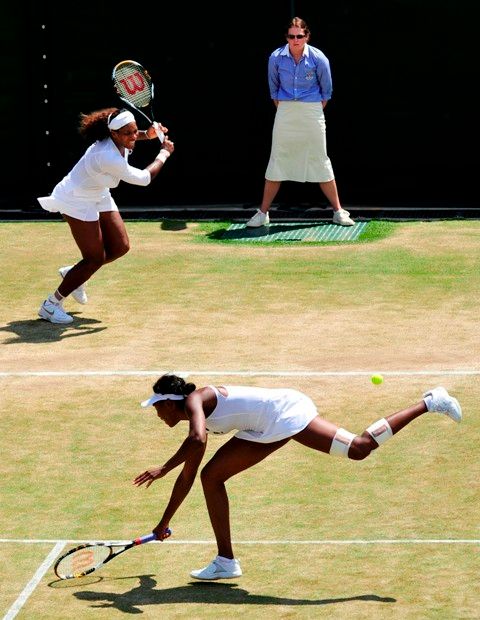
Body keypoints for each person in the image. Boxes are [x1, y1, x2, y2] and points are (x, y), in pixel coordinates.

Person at [133, 374, 462, 580]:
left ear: (170, 402)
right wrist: (162, 523)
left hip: (284, 413)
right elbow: (189, 474)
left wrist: (163, 468)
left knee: (359, 448)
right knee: (210, 477)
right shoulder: (194, 415)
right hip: (262, 426)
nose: (157, 414)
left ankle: (431, 402)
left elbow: (197, 442)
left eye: (157, 407)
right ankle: (225, 561)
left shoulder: (193, 402)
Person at [37, 108, 175, 324]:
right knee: (94, 258)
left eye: (134, 131)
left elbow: (132, 135)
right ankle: (51, 305)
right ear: (113, 134)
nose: (133, 137)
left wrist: (146, 134)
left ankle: (74, 274)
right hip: (75, 199)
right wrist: (163, 153)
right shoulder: (106, 156)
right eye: (127, 133)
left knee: (120, 246)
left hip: (98, 192)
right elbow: (143, 178)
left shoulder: (119, 138)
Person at [247, 17, 354, 228]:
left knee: (320, 158)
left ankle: (338, 211)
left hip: (312, 111)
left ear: (307, 36)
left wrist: (310, 110)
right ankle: (263, 213)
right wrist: (288, 109)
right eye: (291, 36)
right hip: (285, 111)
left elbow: (327, 90)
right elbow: (273, 89)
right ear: (286, 37)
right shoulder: (276, 57)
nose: (295, 40)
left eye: (299, 36)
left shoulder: (318, 58)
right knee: (277, 159)